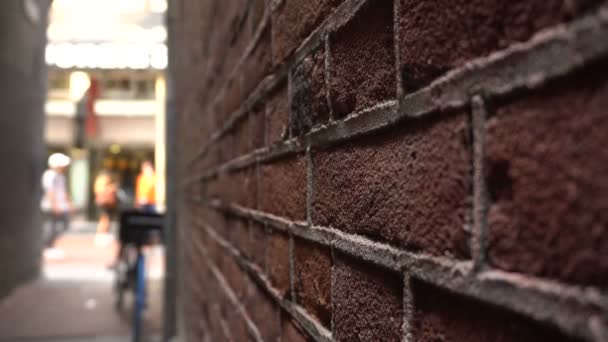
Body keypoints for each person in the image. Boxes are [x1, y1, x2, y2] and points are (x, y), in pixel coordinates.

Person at [41, 153, 72, 250]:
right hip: (51, 206)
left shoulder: (61, 176)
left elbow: (63, 191)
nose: (64, 167)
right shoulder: (50, 175)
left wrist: (69, 203)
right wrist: (54, 205)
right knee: (51, 226)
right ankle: (47, 245)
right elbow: (50, 191)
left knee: (63, 225)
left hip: (61, 205)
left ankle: (50, 244)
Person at [94, 170, 118, 246]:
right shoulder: (101, 182)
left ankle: (103, 235)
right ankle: (100, 235)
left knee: (106, 219)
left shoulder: (102, 182)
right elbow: (102, 192)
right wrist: (111, 188)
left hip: (106, 203)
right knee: (104, 219)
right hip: (104, 203)